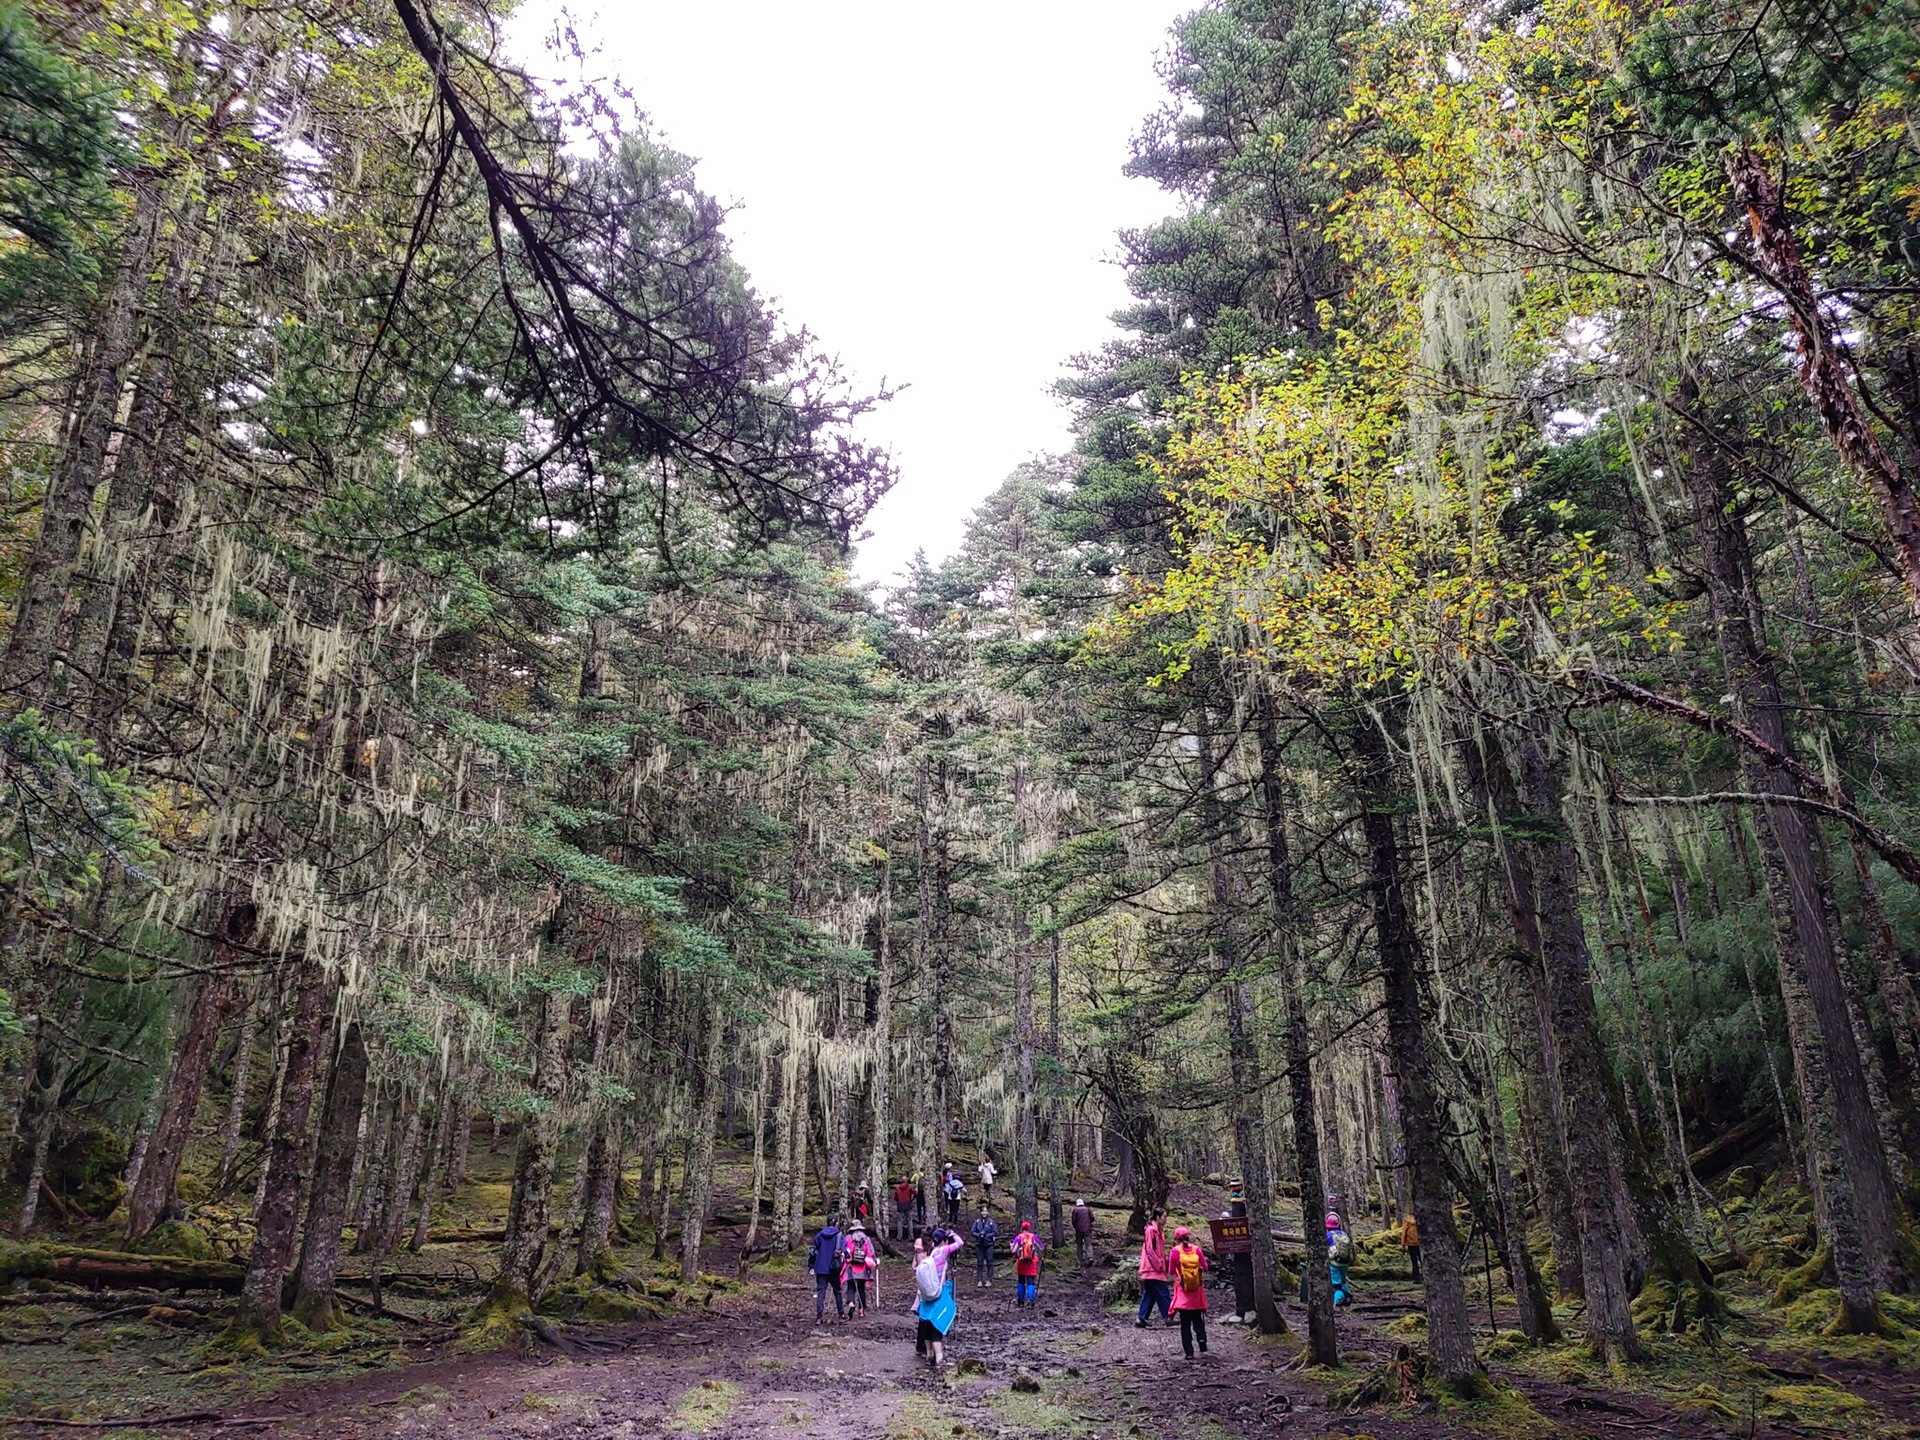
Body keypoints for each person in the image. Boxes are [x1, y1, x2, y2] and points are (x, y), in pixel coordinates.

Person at [912, 1226, 965, 1369]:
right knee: (937, 1325)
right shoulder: (942, 1251)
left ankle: (929, 1355)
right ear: (943, 1241)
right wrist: (953, 1233)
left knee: (928, 1324)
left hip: (927, 1294)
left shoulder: (931, 1251)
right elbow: (960, 1243)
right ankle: (939, 1358)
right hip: (938, 1293)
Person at [1168, 1224, 1211, 1360]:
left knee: (1185, 1323)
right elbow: (1205, 1267)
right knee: (1197, 1318)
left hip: (1183, 1292)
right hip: (1196, 1291)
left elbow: (1170, 1271)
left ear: (1176, 1239)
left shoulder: (1175, 1251)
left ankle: (1189, 1352)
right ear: (1188, 1237)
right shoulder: (1197, 1250)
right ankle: (1202, 1339)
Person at [1137, 1206, 1172, 1328]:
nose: (1165, 1220)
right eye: (1164, 1217)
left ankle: (1141, 1318)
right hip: (1152, 1268)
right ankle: (1169, 1316)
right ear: (1157, 1217)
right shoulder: (1151, 1230)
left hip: (1153, 1267)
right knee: (1163, 1292)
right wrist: (1158, 1264)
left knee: (1150, 1294)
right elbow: (1149, 1249)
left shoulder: (1158, 1231)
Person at [809, 1215, 845, 1324]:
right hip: (834, 1268)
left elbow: (813, 1251)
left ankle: (819, 1317)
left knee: (821, 1292)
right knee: (837, 1291)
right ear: (836, 1223)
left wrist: (811, 1265)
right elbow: (844, 1251)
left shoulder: (819, 1235)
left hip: (821, 1267)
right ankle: (841, 1314)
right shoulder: (839, 1236)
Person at [841, 1218, 877, 1318]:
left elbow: (845, 1251)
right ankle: (861, 1310)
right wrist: (874, 1260)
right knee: (861, 1288)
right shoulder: (866, 1238)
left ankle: (851, 1302)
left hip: (851, 1266)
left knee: (851, 1286)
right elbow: (870, 1252)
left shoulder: (848, 1238)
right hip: (863, 1267)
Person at [1010, 1218, 1044, 1308]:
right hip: (1031, 1262)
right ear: (1029, 1228)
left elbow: (1013, 1250)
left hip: (1021, 1262)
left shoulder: (1019, 1237)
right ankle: (1031, 1301)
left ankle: (1021, 1301)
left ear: (1021, 1228)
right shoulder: (1033, 1237)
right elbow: (1041, 1247)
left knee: (1021, 1281)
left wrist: (1011, 1246)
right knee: (1030, 1282)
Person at [970, 1203, 999, 1289]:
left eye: (985, 1211)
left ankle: (989, 1280)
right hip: (979, 1245)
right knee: (980, 1263)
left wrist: (987, 1236)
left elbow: (995, 1232)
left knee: (989, 1262)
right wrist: (979, 1235)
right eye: (982, 1211)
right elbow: (972, 1232)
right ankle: (979, 1280)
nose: (984, 1213)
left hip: (989, 1244)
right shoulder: (977, 1222)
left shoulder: (991, 1222)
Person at [1071, 1197, 1095, 1265]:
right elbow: (1092, 1218)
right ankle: (1090, 1257)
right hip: (1087, 1229)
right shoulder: (1087, 1209)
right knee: (1088, 1244)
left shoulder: (1075, 1210)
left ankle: (1080, 1258)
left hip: (1078, 1230)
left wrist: (1075, 1226)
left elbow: (1073, 1220)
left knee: (1079, 1244)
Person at [893, 1176, 916, 1240]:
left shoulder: (898, 1188)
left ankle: (899, 1236)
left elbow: (895, 1197)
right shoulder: (909, 1188)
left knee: (900, 1221)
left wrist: (898, 1201)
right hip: (908, 1205)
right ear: (906, 1181)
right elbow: (916, 1193)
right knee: (909, 1221)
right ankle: (911, 1236)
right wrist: (912, 1199)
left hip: (900, 1205)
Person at [1401, 1211, 1421, 1282]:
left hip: (1411, 1244)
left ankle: (1416, 1278)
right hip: (1420, 1243)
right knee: (1423, 1261)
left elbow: (1404, 1233)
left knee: (1414, 1261)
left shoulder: (1407, 1220)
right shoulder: (1421, 1219)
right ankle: (1425, 1277)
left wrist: (1403, 1244)